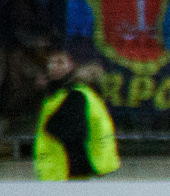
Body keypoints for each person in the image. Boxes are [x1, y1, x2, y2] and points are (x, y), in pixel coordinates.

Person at [34, 42, 119, 180]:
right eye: (51, 62)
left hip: (70, 171)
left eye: (60, 62)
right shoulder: (58, 94)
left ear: (72, 65)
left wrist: (51, 126)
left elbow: (72, 133)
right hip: (63, 170)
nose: (55, 67)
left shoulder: (74, 95)